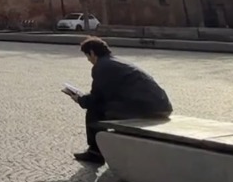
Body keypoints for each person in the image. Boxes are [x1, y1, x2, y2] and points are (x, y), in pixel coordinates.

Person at [67, 36, 172, 165]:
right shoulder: (117, 62)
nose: (88, 60)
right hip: (162, 105)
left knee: (94, 111)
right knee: (103, 106)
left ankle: (95, 152)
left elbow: (96, 98)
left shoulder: (101, 66)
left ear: (92, 53)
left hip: (146, 109)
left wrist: (80, 99)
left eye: (87, 56)